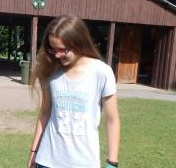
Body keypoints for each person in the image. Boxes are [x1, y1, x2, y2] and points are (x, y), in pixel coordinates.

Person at [27, 15, 120, 168]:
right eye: (53, 49)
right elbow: (45, 114)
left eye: (63, 50)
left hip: (84, 162)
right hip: (47, 160)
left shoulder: (102, 72)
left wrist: (112, 162)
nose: (57, 55)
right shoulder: (51, 71)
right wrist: (33, 152)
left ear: (79, 43)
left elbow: (112, 119)